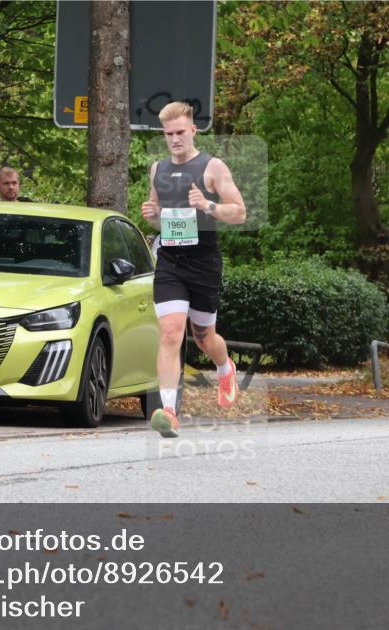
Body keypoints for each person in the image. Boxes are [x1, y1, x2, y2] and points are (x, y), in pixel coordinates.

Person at [140, 101, 246, 437]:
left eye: (180, 132)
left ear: (193, 130)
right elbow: (159, 212)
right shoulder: (157, 169)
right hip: (170, 260)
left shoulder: (213, 167)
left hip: (203, 262)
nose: (174, 139)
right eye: (168, 134)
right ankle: (168, 411)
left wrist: (208, 205)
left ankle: (224, 366)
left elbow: (239, 212)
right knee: (171, 332)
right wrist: (151, 214)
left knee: (204, 337)